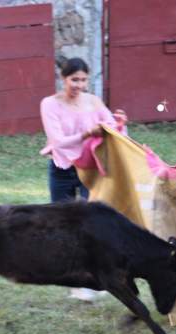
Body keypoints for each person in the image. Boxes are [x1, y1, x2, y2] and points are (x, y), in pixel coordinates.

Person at [39, 57, 127, 301]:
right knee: (62, 224)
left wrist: (120, 124)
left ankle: (96, 277)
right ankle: (74, 281)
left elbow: (112, 129)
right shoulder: (50, 104)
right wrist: (87, 133)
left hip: (90, 168)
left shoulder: (93, 101)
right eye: (74, 80)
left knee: (92, 223)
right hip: (62, 168)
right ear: (63, 78)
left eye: (83, 80)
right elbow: (58, 142)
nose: (79, 85)